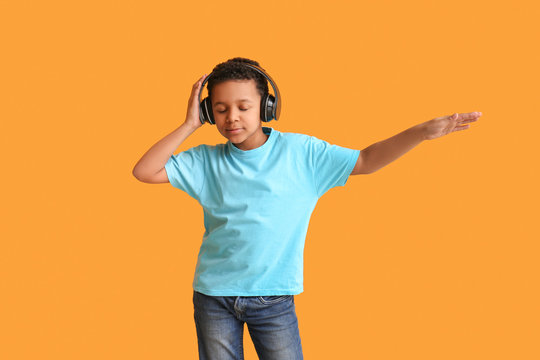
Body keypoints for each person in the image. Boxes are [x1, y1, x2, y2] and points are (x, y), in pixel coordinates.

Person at [132, 57, 481, 360]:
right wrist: (190, 125)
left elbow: (366, 159)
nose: (231, 118)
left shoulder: (303, 155)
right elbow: (144, 171)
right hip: (214, 296)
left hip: (274, 298)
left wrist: (420, 132)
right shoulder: (205, 161)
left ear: (267, 106)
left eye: (243, 107)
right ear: (209, 111)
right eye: (220, 109)